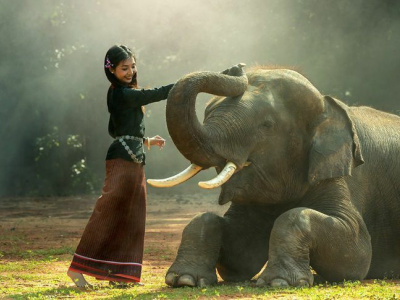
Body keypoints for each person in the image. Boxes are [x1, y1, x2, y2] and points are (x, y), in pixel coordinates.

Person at [67, 44, 174, 288]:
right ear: (111, 70)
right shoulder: (120, 94)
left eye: (133, 66)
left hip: (134, 159)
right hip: (122, 160)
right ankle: (77, 269)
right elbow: (152, 94)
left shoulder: (124, 94)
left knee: (133, 216)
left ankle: (119, 274)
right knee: (108, 213)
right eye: (124, 68)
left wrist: (146, 140)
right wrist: (182, 86)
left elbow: (116, 128)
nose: (130, 71)